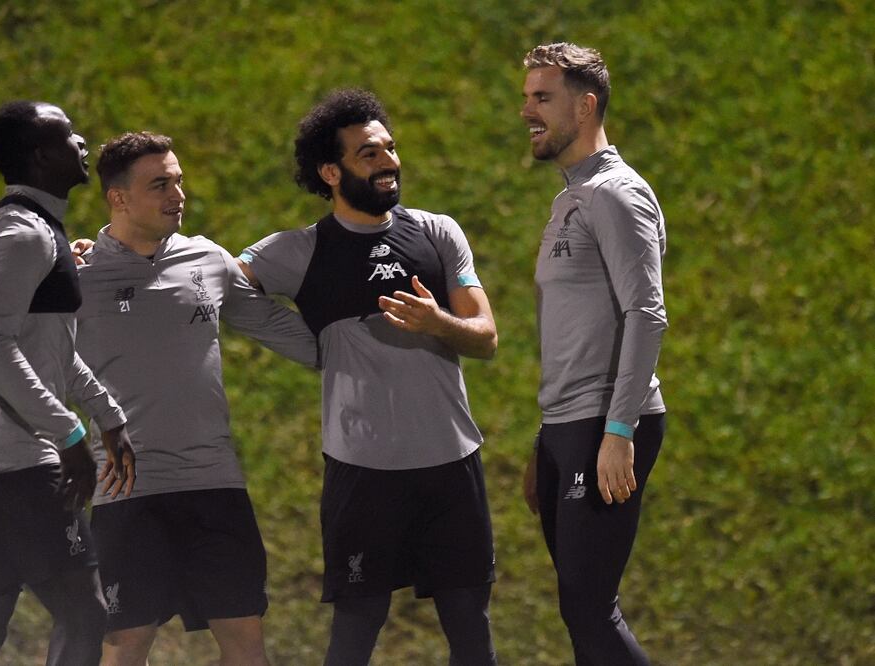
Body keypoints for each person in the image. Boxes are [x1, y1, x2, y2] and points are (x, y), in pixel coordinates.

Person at [238, 89, 499, 666]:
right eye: (368, 153)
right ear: (330, 172)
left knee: (471, 632)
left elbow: (486, 337)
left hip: (450, 465)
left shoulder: (436, 232)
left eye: (389, 147)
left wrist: (439, 322)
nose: (387, 161)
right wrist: (305, 344)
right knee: (354, 634)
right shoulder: (302, 251)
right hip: (364, 473)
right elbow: (219, 285)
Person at [72, 131, 318, 666]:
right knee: (125, 645)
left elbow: (274, 324)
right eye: (159, 185)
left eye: (178, 181)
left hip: (214, 485)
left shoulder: (206, 258)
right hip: (126, 492)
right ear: (118, 198)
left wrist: (358, 350)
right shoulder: (78, 276)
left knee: (246, 643)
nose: (177, 195)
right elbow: (38, 362)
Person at [0, 100, 136, 666]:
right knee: (86, 613)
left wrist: (107, 412)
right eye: (68, 135)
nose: (83, 142)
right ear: (39, 155)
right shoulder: (22, 235)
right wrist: (70, 433)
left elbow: (50, 352)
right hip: (15, 461)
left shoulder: (37, 228)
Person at [519, 43, 668, 665]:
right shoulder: (573, 194)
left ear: (585, 106)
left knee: (589, 605)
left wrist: (617, 430)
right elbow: (577, 328)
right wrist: (546, 438)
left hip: (604, 424)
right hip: (568, 426)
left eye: (542, 98)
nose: (528, 111)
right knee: (580, 612)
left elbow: (646, 313)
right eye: (526, 97)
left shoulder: (614, 194)